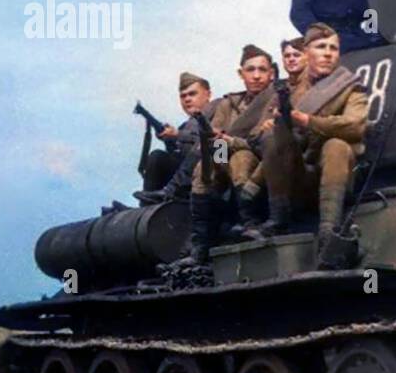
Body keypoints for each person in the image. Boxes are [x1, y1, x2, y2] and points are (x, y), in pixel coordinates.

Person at [254, 24, 369, 268]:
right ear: (306, 53)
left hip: (333, 175)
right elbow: (255, 132)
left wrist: (309, 121)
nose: (328, 53)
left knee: (337, 145)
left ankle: (329, 230)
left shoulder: (350, 86)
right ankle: (279, 219)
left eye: (333, 48)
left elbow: (355, 125)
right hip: (295, 175)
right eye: (321, 47)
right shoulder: (289, 90)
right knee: (272, 137)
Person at [177, 45, 277, 265]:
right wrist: (219, 141)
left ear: (271, 73)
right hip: (226, 153)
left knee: (240, 158)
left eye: (262, 69)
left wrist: (233, 142)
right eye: (250, 70)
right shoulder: (229, 104)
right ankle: (200, 246)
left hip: (260, 159)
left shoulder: (275, 99)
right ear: (241, 73)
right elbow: (217, 135)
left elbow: (262, 141)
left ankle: (251, 224)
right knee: (205, 168)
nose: (257, 75)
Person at [135, 72, 212, 206]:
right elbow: (181, 155)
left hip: (212, 172)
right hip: (187, 177)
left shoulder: (218, 112)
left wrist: (178, 135)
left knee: (158, 157)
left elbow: (216, 141)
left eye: (192, 94)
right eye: (183, 96)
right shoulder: (186, 125)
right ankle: (146, 208)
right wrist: (169, 140)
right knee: (157, 157)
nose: (187, 99)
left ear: (208, 94)